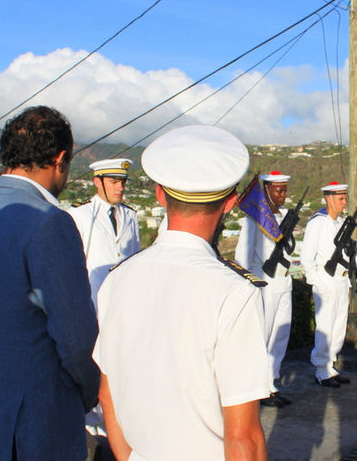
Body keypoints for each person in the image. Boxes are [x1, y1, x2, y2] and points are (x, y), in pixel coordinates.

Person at [93, 125, 270, 461]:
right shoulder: (232, 292)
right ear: (231, 202)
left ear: (160, 194)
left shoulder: (116, 280)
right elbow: (243, 438)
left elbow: (107, 395)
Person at [0, 106, 100, 460]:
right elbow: (75, 335)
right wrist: (90, 390)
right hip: (35, 424)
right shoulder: (49, 222)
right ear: (59, 160)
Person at [235, 170, 294, 408]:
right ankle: (256, 387)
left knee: (280, 336)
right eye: (278, 190)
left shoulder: (287, 216)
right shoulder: (254, 219)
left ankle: (271, 383)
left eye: (284, 190)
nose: (283, 195)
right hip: (264, 284)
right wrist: (249, 289)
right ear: (267, 191)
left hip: (284, 281)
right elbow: (242, 258)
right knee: (263, 337)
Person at [68, 158, 141, 309]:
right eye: (114, 182)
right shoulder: (81, 213)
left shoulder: (131, 215)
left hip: (124, 300)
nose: (120, 188)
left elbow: (135, 258)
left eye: (123, 182)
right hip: (93, 300)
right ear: (97, 182)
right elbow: (71, 264)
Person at [300, 181, 352, 387]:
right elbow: (306, 257)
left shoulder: (340, 223)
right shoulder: (317, 223)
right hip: (325, 281)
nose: (344, 202)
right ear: (329, 199)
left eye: (344, 198)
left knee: (338, 326)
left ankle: (331, 365)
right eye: (340, 198)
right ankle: (321, 369)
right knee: (325, 326)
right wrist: (317, 282)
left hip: (341, 279)